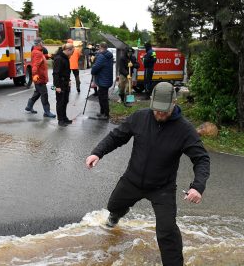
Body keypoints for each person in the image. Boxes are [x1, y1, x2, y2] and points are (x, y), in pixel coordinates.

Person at [85, 82, 210, 266]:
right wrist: (97, 152)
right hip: (132, 180)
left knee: (167, 231)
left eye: (164, 111)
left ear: (174, 103)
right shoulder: (140, 117)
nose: (159, 114)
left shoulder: (185, 130)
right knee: (114, 206)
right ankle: (114, 219)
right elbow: (117, 136)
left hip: (162, 188)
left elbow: (201, 159)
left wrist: (197, 187)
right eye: (156, 109)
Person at [25, 37, 56, 118]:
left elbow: (41, 59)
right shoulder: (37, 53)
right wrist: (35, 75)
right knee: (44, 94)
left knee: (38, 93)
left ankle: (29, 106)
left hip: (39, 77)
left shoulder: (38, 52)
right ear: (39, 43)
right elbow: (35, 65)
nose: (43, 44)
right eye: (42, 42)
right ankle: (47, 112)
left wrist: (47, 56)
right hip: (39, 78)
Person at [52, 43, 74, 127]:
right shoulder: (59, 59)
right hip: (59, 85)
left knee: (65, 101)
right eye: (72, 51)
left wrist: (68, 80)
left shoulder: (65, 58)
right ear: (68, 50)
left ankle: (64, 118)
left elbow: (65, 71)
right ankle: (60, 120)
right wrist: (56, 87)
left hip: (65, 83)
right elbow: (55, 74)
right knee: (60, 102)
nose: (72, 54)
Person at [90, 42, 113, 120]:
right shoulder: (108, 55)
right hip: (106, 79)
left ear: (100, 47)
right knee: (102, 96)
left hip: (103, 80)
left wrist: (92, 70)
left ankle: (106, 114)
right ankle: (102, 112)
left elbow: (96, 68)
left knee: (103, 98)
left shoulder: (102, 57)